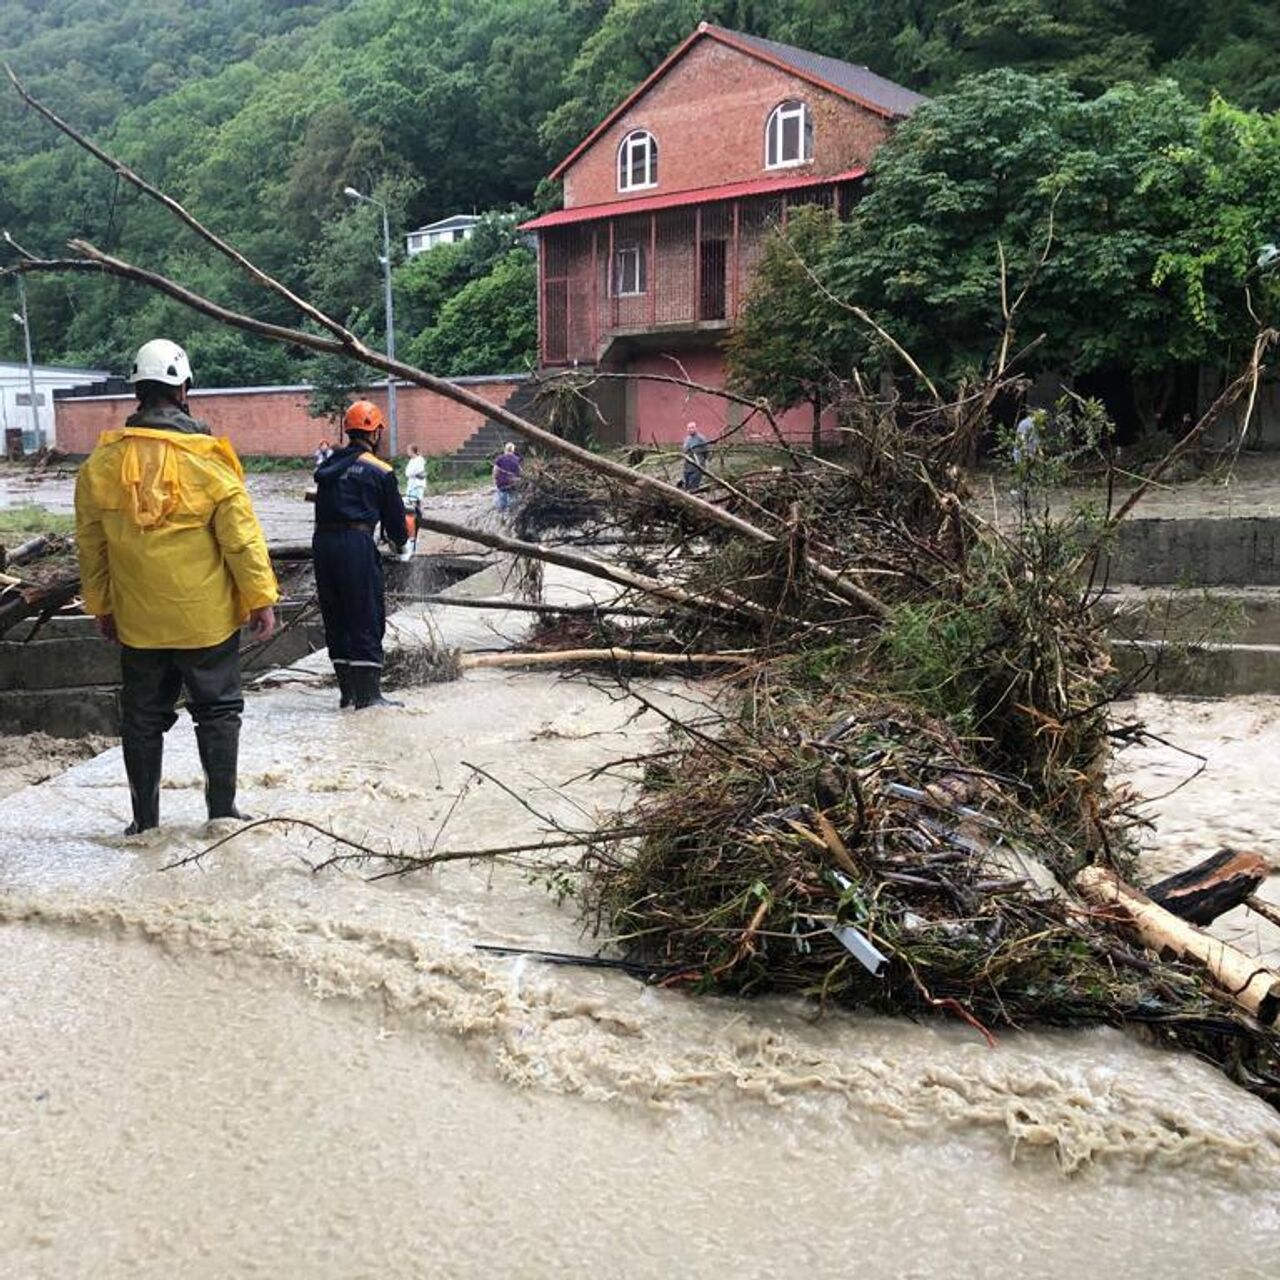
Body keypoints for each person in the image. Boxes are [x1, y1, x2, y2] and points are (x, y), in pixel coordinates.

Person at [75, 338, 278, 835]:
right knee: (219, 712)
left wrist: (102, 607)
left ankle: (144, 824)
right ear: (184, 388)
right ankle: (222, 815)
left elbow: (91, 548)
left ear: (137, 392)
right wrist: (260, 598)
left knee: (142, 719)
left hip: (139, 624)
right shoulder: (209, 461)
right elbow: (241, 541)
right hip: (205, 623)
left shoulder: (99, 467)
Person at [313, 399, 409, 710]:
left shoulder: (327, 467)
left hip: (323, 544)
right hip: (356, 543)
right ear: (375, 432)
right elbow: (396, 525)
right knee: (365, 613)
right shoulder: (379, 471)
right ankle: (369, 696)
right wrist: (401, 539)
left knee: (336, 614)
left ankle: (348, 692)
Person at [493, 441, 521, 513]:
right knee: (513, 499)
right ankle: (512, 512)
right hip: (513, 483)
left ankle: (501, 513)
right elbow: (520, 471)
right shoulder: (517, 459)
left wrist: (495, 480)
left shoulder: (500, 459)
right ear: (513, 450)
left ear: (505, 449)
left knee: (502, 500)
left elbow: (495, 471)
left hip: (502, 483)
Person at [681, 422, 710, 491]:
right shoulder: (686, 439)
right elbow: (684, 451)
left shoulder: (701, 439)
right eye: (688, 428)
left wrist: (703, 463)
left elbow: (707, 452)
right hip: (687, 467)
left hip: (697, 466)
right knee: (686, 487)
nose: (690, 430)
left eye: (692, 428)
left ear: (696, 428)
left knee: (693, 487)